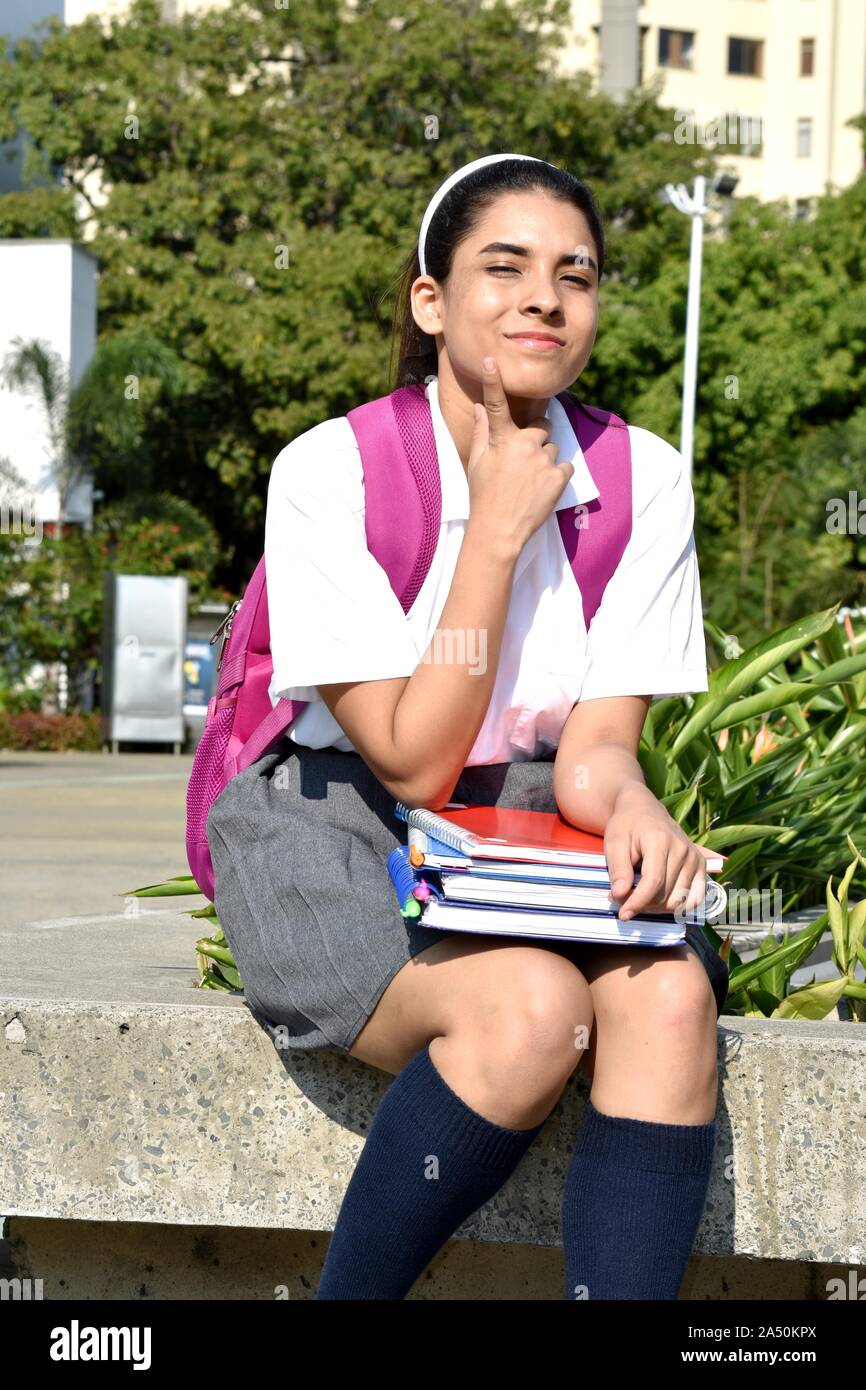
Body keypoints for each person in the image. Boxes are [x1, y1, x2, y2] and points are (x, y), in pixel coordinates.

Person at [206, 152, 730, 1301]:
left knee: (671, 995)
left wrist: (634, 803)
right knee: (531, 1009)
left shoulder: (640, 477)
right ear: (429, 300)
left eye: (573, 273)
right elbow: (411, 755)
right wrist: (492, 531)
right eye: (505, 266)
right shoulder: (331, 472)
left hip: (525, 824)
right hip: (338, 827)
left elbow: (592, 750)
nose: (545, 295)